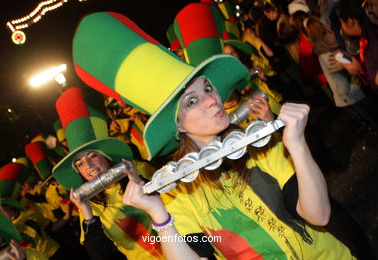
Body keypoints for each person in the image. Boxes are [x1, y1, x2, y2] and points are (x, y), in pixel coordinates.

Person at [72, 12, 356, 259]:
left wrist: (296, 144)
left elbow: (319, 215)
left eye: (207, 88)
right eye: (191, 102)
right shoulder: (177, 194)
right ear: (178, 126)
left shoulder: (262, 150)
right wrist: (160, 218)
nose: (211, 100)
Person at [52, 86, 163, 260]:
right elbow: (99, 255)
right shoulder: (89, 203)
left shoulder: (138, 169)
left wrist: (139, 181)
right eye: (80, 163)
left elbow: (178, 202)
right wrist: (87, 214)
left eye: (92, 156)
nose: (88, 165)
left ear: (106, 157)